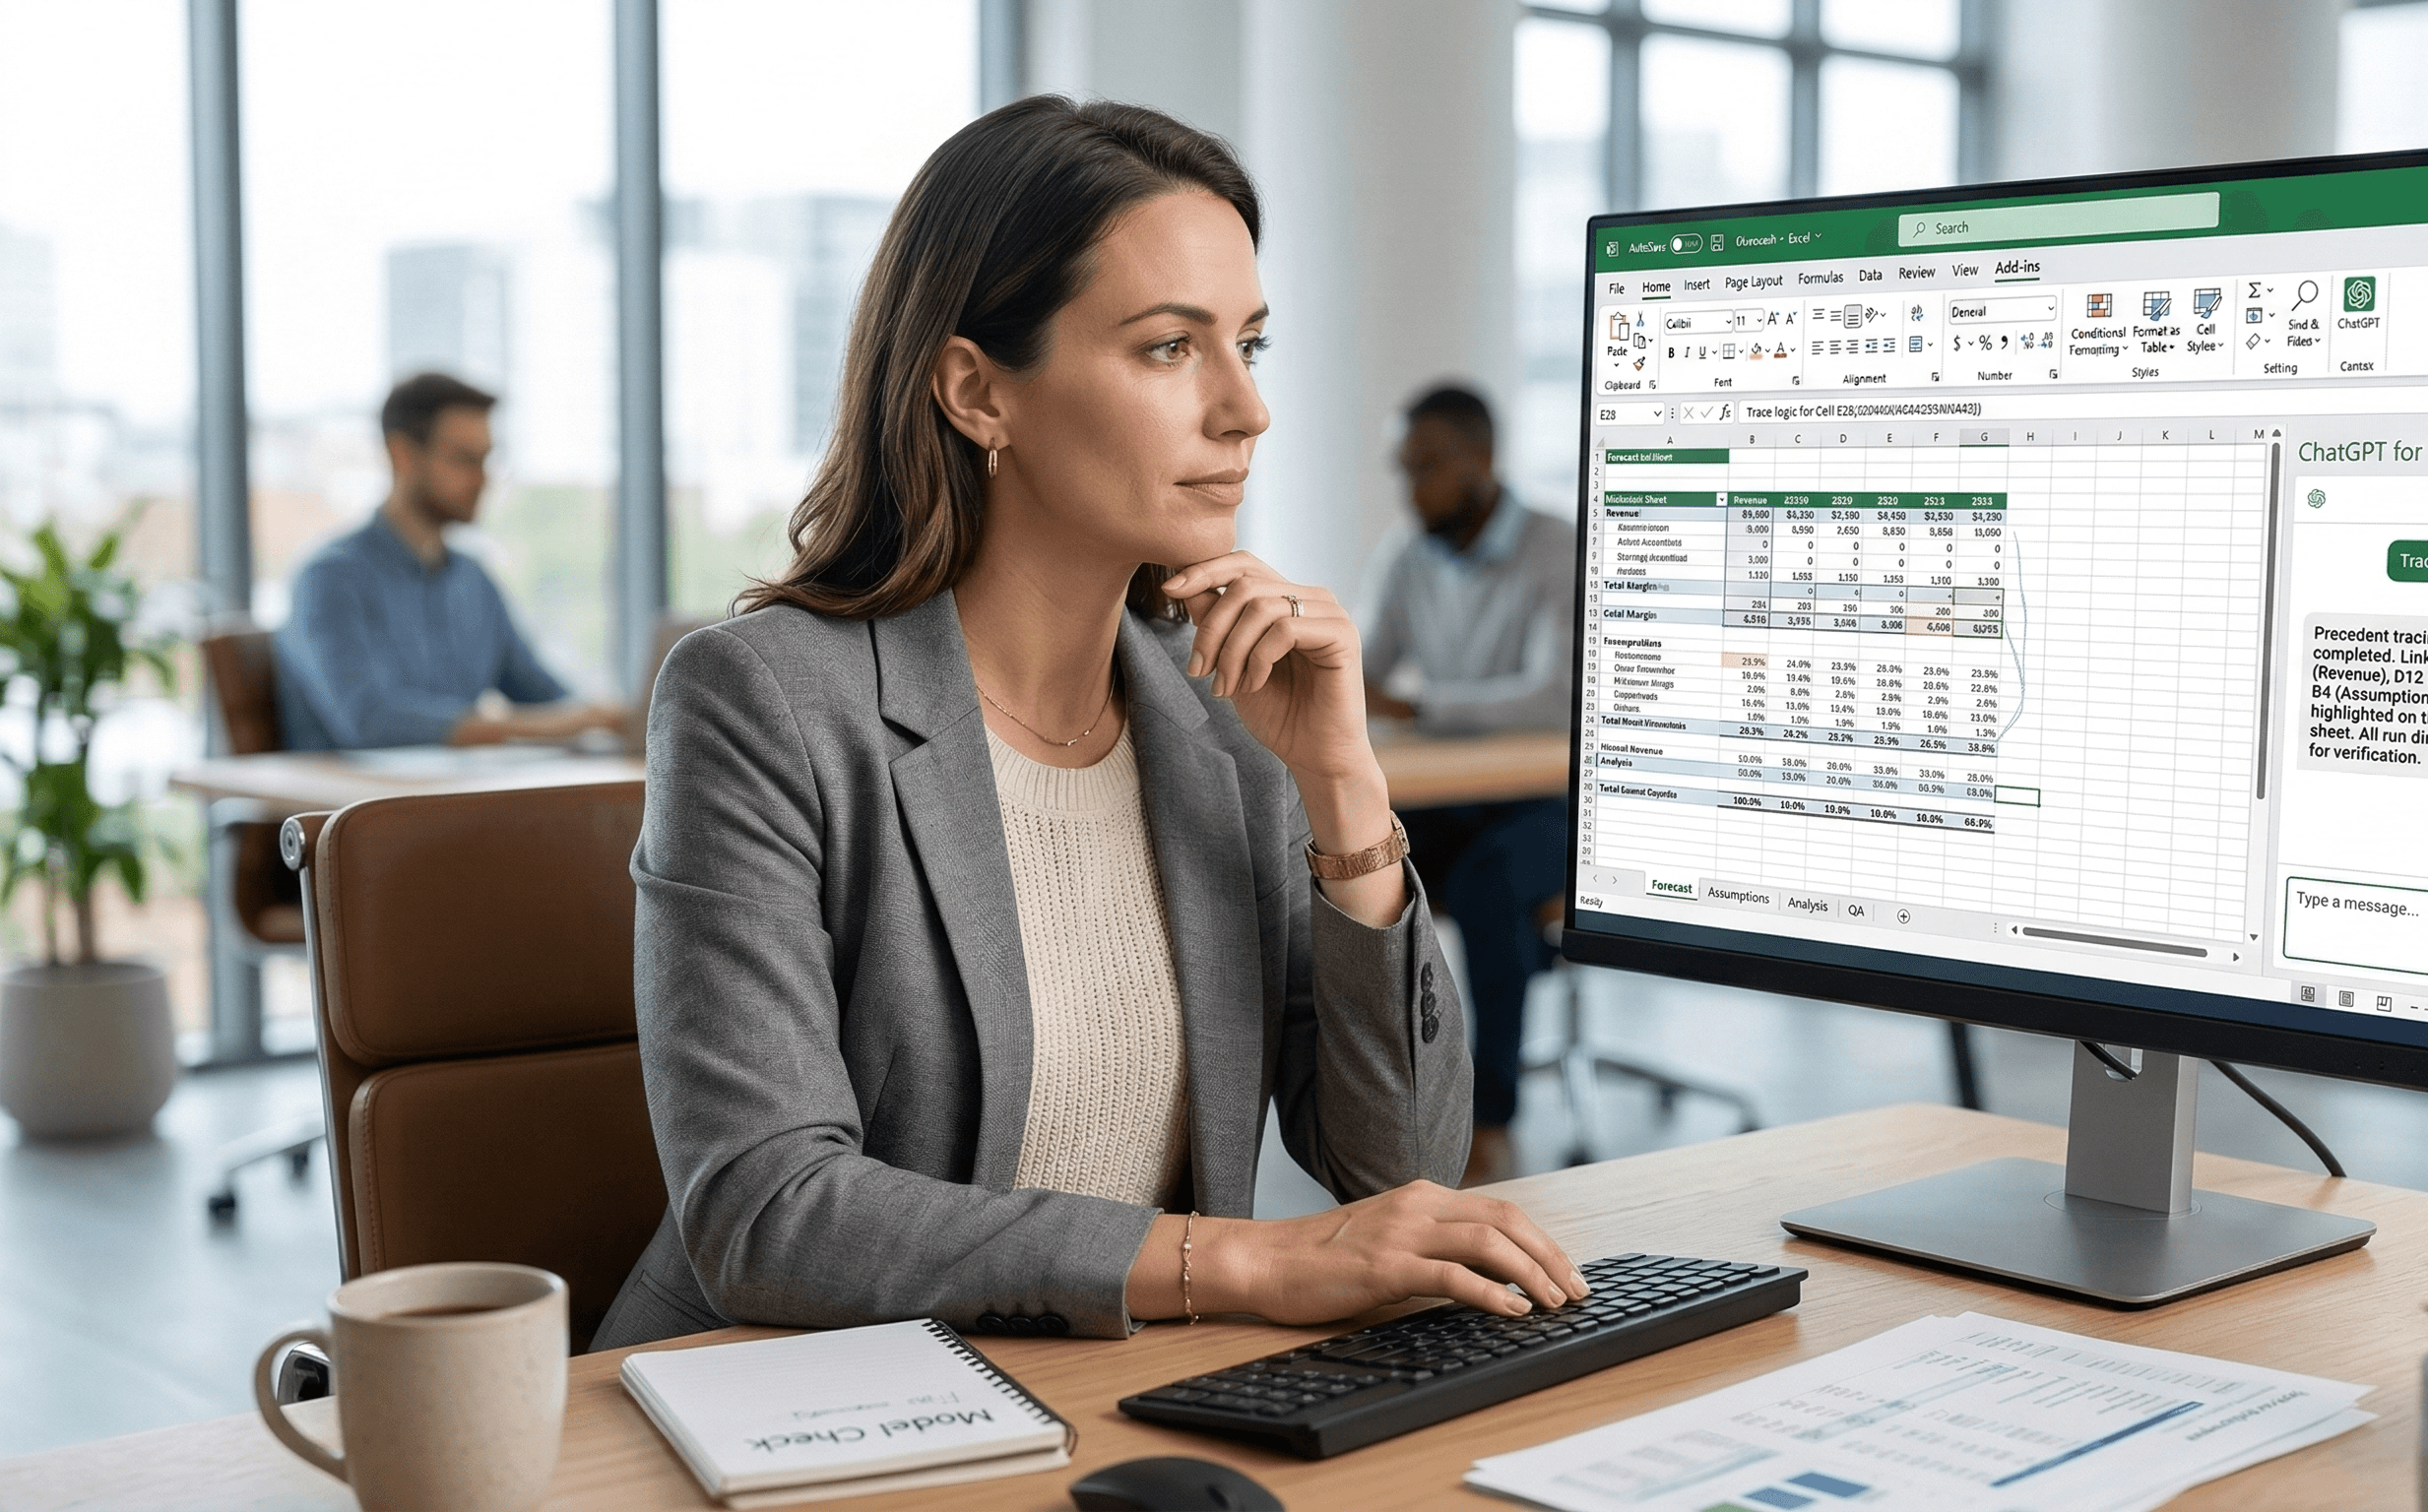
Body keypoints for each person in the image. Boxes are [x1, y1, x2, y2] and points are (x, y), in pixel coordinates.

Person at [593, 96, 1585, 1352]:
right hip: (795, 1404)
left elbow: (1395, 1162)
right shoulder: (766, 701)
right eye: (1171, 349)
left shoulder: (1223, 723)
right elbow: (767, 1214)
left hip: (1089, 1404)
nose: (1245, 411)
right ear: (976, 393)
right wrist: (1242, 1261)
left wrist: (1343, 785)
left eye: (1251, 346)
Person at [1364, 385, 1576, 1185]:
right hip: (1462, 798)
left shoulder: (1556, 546)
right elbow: (1362, 672)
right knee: (1367, 860)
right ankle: (1387, 1110)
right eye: (1405, 468)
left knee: (1493, 886)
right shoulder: (1410, 553)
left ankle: (1488, 1121)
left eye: (1429, 466)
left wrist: (1420, 705)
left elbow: (1557, 695)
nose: (1413, 486)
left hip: (1552, 804)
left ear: (1481, 459)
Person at [273, 373, 626, 750]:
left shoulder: (472, 580)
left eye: (487, 459)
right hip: (355, 805)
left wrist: (604, 718)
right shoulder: (329, 578)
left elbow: (543, 694)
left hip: (451, 796)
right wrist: (542, 727)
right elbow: (369, 720)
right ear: (403, 456)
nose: (482, 479)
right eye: (464, 460)